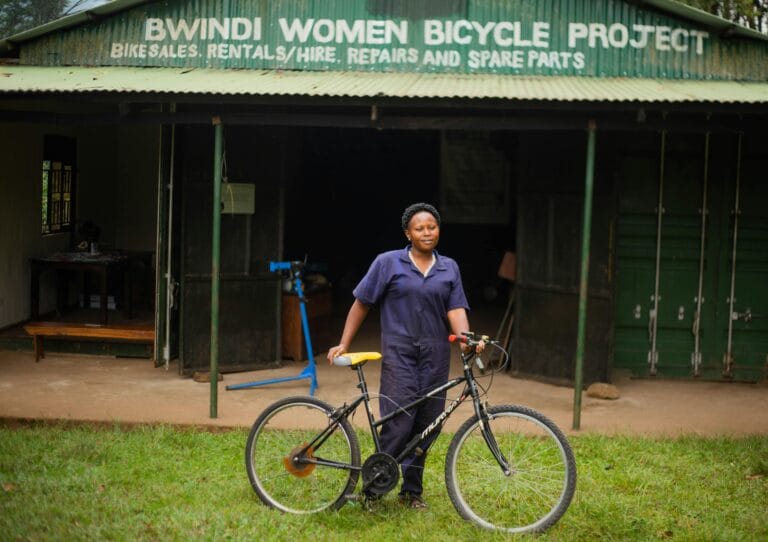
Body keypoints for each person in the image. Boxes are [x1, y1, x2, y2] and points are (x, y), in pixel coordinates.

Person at [327, 202, 483, 509]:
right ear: (407, 234)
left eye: (432, 227)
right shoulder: (388, 263)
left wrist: (466, 340)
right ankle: (373, 489)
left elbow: (455, 309)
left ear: (439, 230)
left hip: (436, 354)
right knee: (399, 422)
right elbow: (362, 303)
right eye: (419, 228)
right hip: (400, 354)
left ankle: (411, 491)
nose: (426, 232)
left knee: (428, 423)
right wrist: (344, 342)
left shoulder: (448, 267)